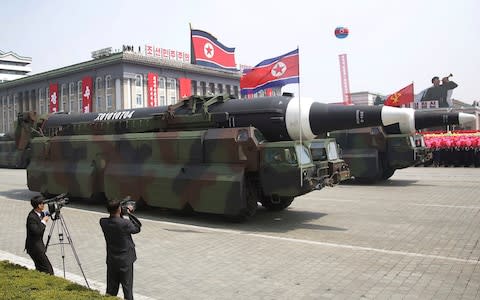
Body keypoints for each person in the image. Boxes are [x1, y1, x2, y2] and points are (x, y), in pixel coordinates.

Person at [100, 199, 141, 300]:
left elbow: (116, 220)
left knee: (111, 290)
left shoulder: (103, 222)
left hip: (112, 261)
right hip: (125, 262)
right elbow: (137, 228)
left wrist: (120, 212)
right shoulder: (125, 223)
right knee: (127, 290)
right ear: (119, 209)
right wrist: (129, 213)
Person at [25, 195, 54, 275]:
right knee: (48, 270)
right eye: (42, 203)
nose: (44, 205)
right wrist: (43, 221)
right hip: (34, 248)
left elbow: (47, 213)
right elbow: (37, 232)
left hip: (38, 247)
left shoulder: (39, 213)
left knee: (40, 269)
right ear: (38, 205)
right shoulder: (31, 217)